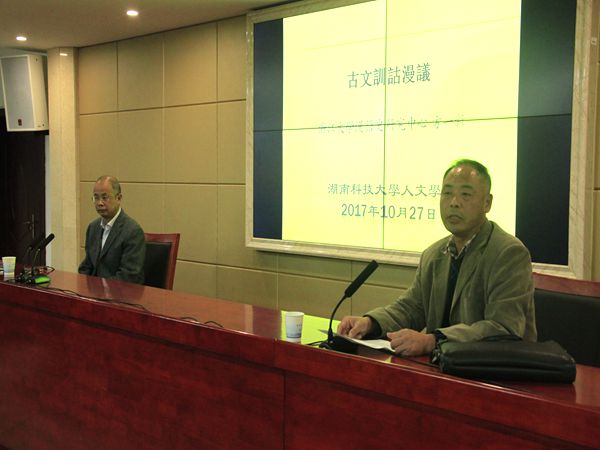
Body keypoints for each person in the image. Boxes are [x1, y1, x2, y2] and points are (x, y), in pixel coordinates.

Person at [337, 159, 536, 356]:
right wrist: (371, 323)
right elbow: (412, 308)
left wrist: (434, 340)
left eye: (466, 194)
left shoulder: (508, 253)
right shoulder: (433, 254)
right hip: (443, 366)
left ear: (487, 203)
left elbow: (503, 327)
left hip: (494, 369)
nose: (454, 202)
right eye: (447, 193)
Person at [78, 175, 145, 284]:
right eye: (96, 198)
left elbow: (129, 276)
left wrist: (99, 288)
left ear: (119, 198)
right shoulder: (93, 228)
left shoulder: (132, 231)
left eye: (105, 198)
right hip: (93, 292)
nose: (99, 203)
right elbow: (86, 267)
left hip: (120, 292)